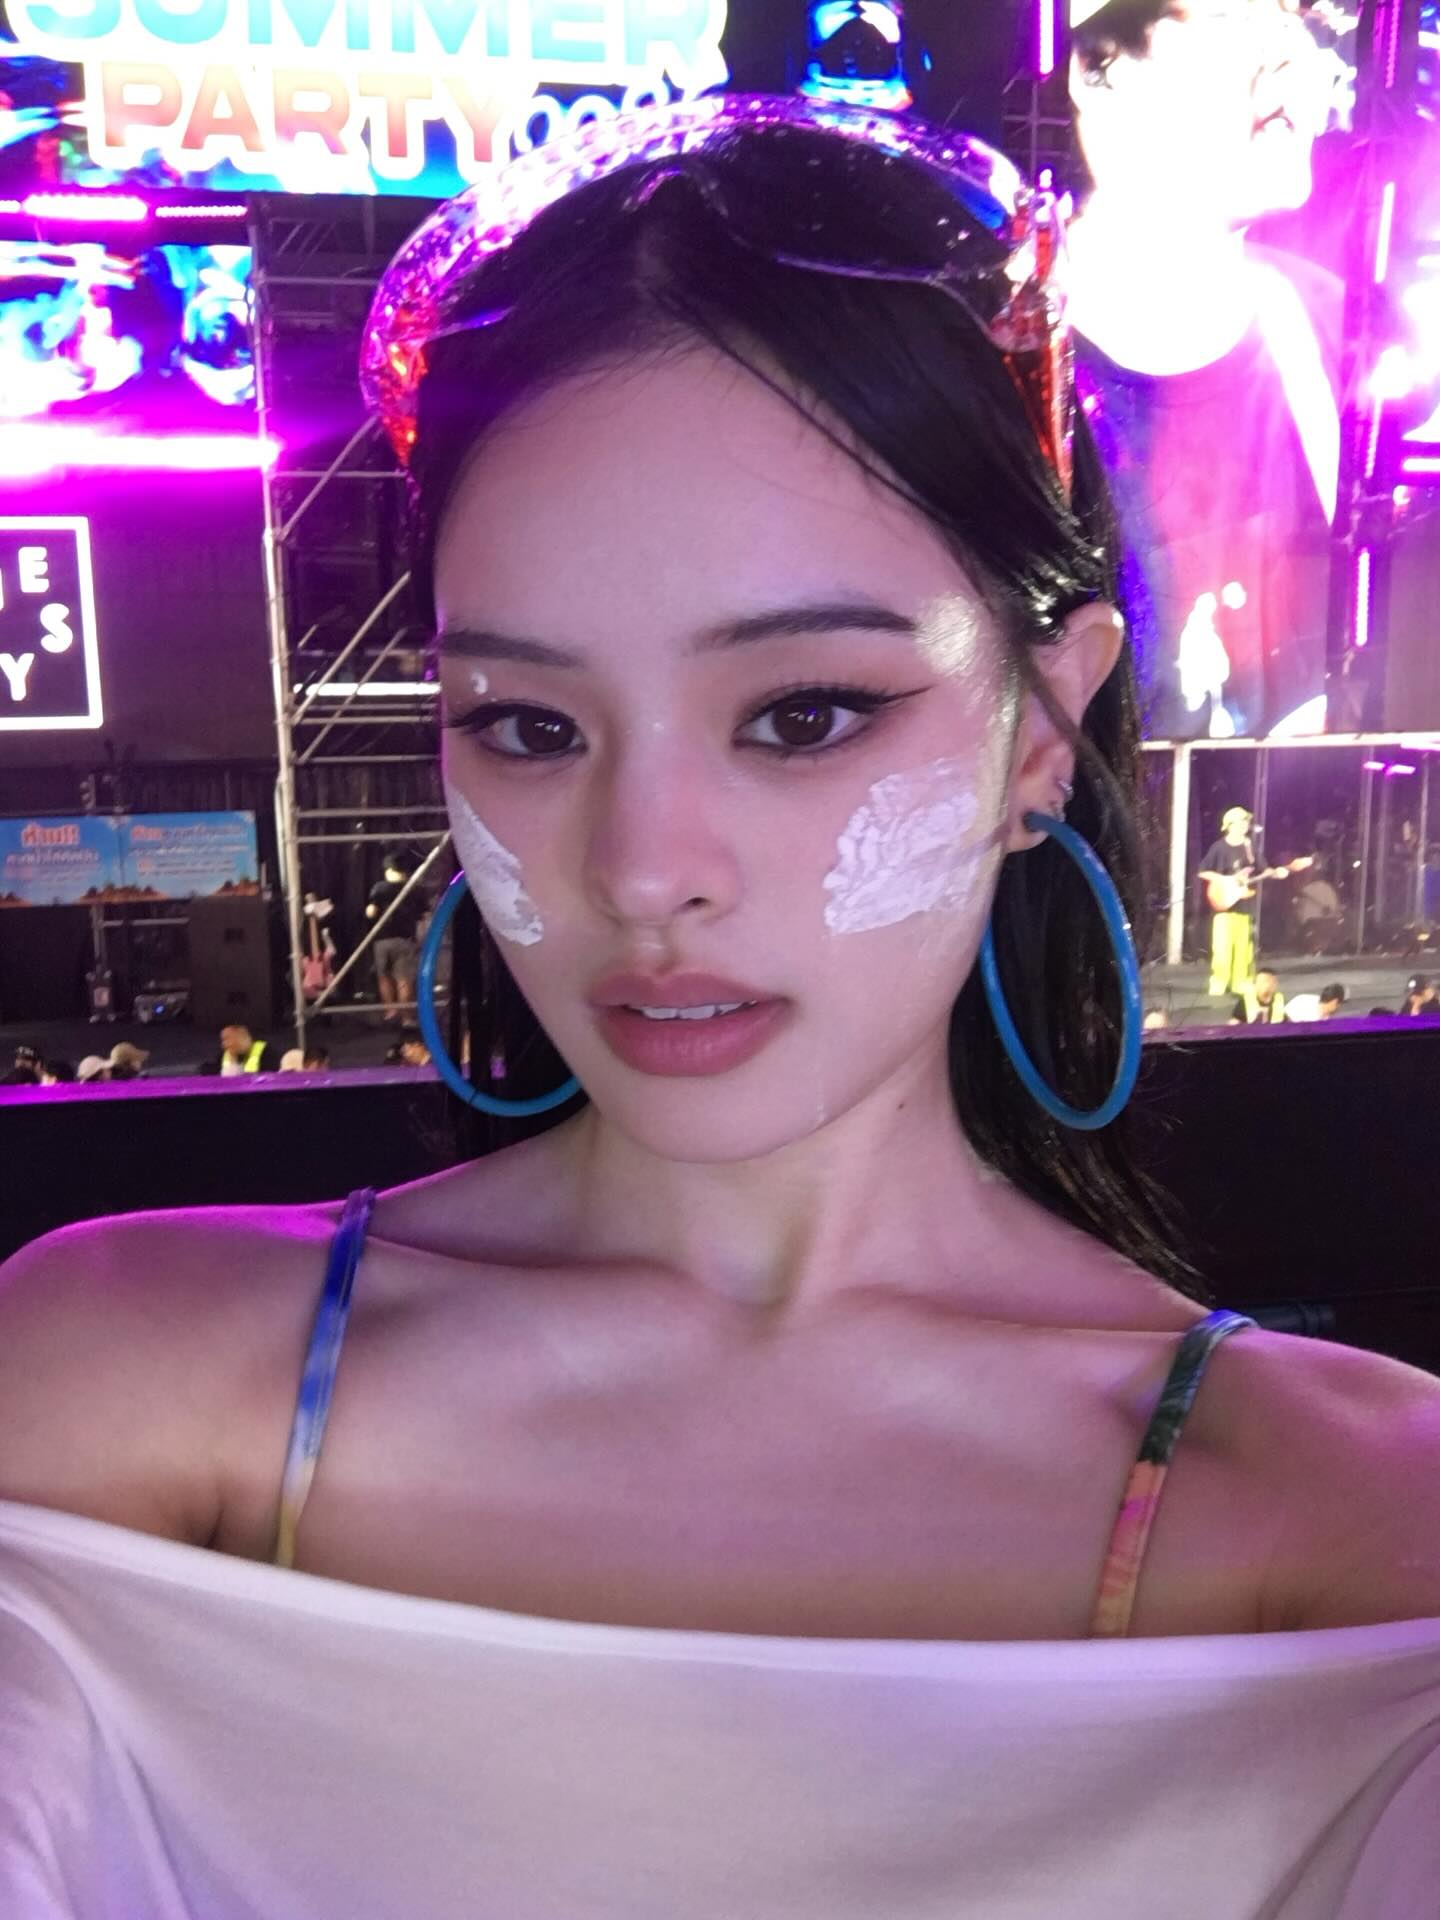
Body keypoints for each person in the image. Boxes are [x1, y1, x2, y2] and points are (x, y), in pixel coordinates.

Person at [1, 97, 1438, 1916]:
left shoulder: (1356, 1528)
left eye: (803, 713)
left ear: (1045, 724)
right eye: (529, 725)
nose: (642, 868)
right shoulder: (113, 1382)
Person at [1067, 0, 1343, 739]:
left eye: (1314, 28)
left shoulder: (1345, 337)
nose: (1294, 60)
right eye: (1241, 17)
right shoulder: (978, 366)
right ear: (1099, 68)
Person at [1196, 804, 1263, 996]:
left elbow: (1261, 868)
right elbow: (1202, 871)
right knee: (1222, 948)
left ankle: (1240, 982)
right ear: (1230, 825)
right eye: (1241, 821)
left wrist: (1276, 871)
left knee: (1243, 948)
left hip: (1244, 905)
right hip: (1224, 905)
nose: (1245, 825)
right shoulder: (1219, 847)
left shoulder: (1250, 846)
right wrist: (1225, 880)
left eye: (1246, 822)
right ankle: (1219, 981)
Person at [366, 851, 425, 1022]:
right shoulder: (413, 890)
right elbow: (423, 916)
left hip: (382, 939)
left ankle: (390, 1010)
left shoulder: (379, 888)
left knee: (383, 976)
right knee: (404, 979)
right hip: (404, 939)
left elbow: (371, 912)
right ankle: (406, 1017)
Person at [199, 1023, 280, 1076]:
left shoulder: (266, 1052)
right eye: (223, 1040)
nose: (224, 1044)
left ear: (244, 1037)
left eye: (228, 1039)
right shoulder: (224, 1054)